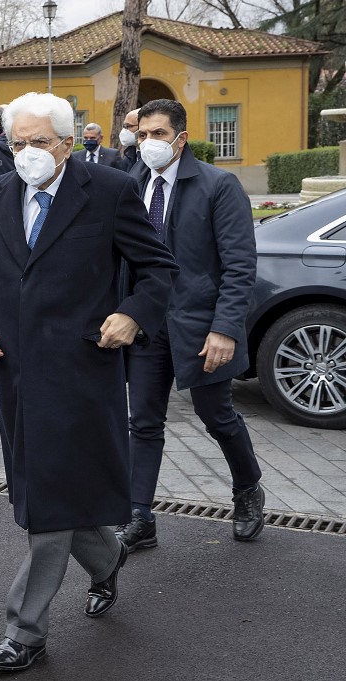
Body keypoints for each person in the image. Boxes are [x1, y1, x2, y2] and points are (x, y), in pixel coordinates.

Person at [0, 92, 178, 673]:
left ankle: (26, 629)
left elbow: (159, 271)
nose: (26, 155)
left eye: (39, 143)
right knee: (50, 495)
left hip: (82, 374)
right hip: (17, 376)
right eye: (16, 144)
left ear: (69, 145)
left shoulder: (111, 192)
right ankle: (105, 558)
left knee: (47, 506)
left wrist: (132, 314)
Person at [119, 98, 265, 551]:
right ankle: (140, 516)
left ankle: (248, 488)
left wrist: (224, 328)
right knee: (142, 421)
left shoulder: (218, 186)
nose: (148, 144)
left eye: (158, 135)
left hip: (201, 327)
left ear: (181, 138)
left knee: (216, 415)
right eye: (142, 135)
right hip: (145, 324)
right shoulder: (129, 183)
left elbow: (240, 267)